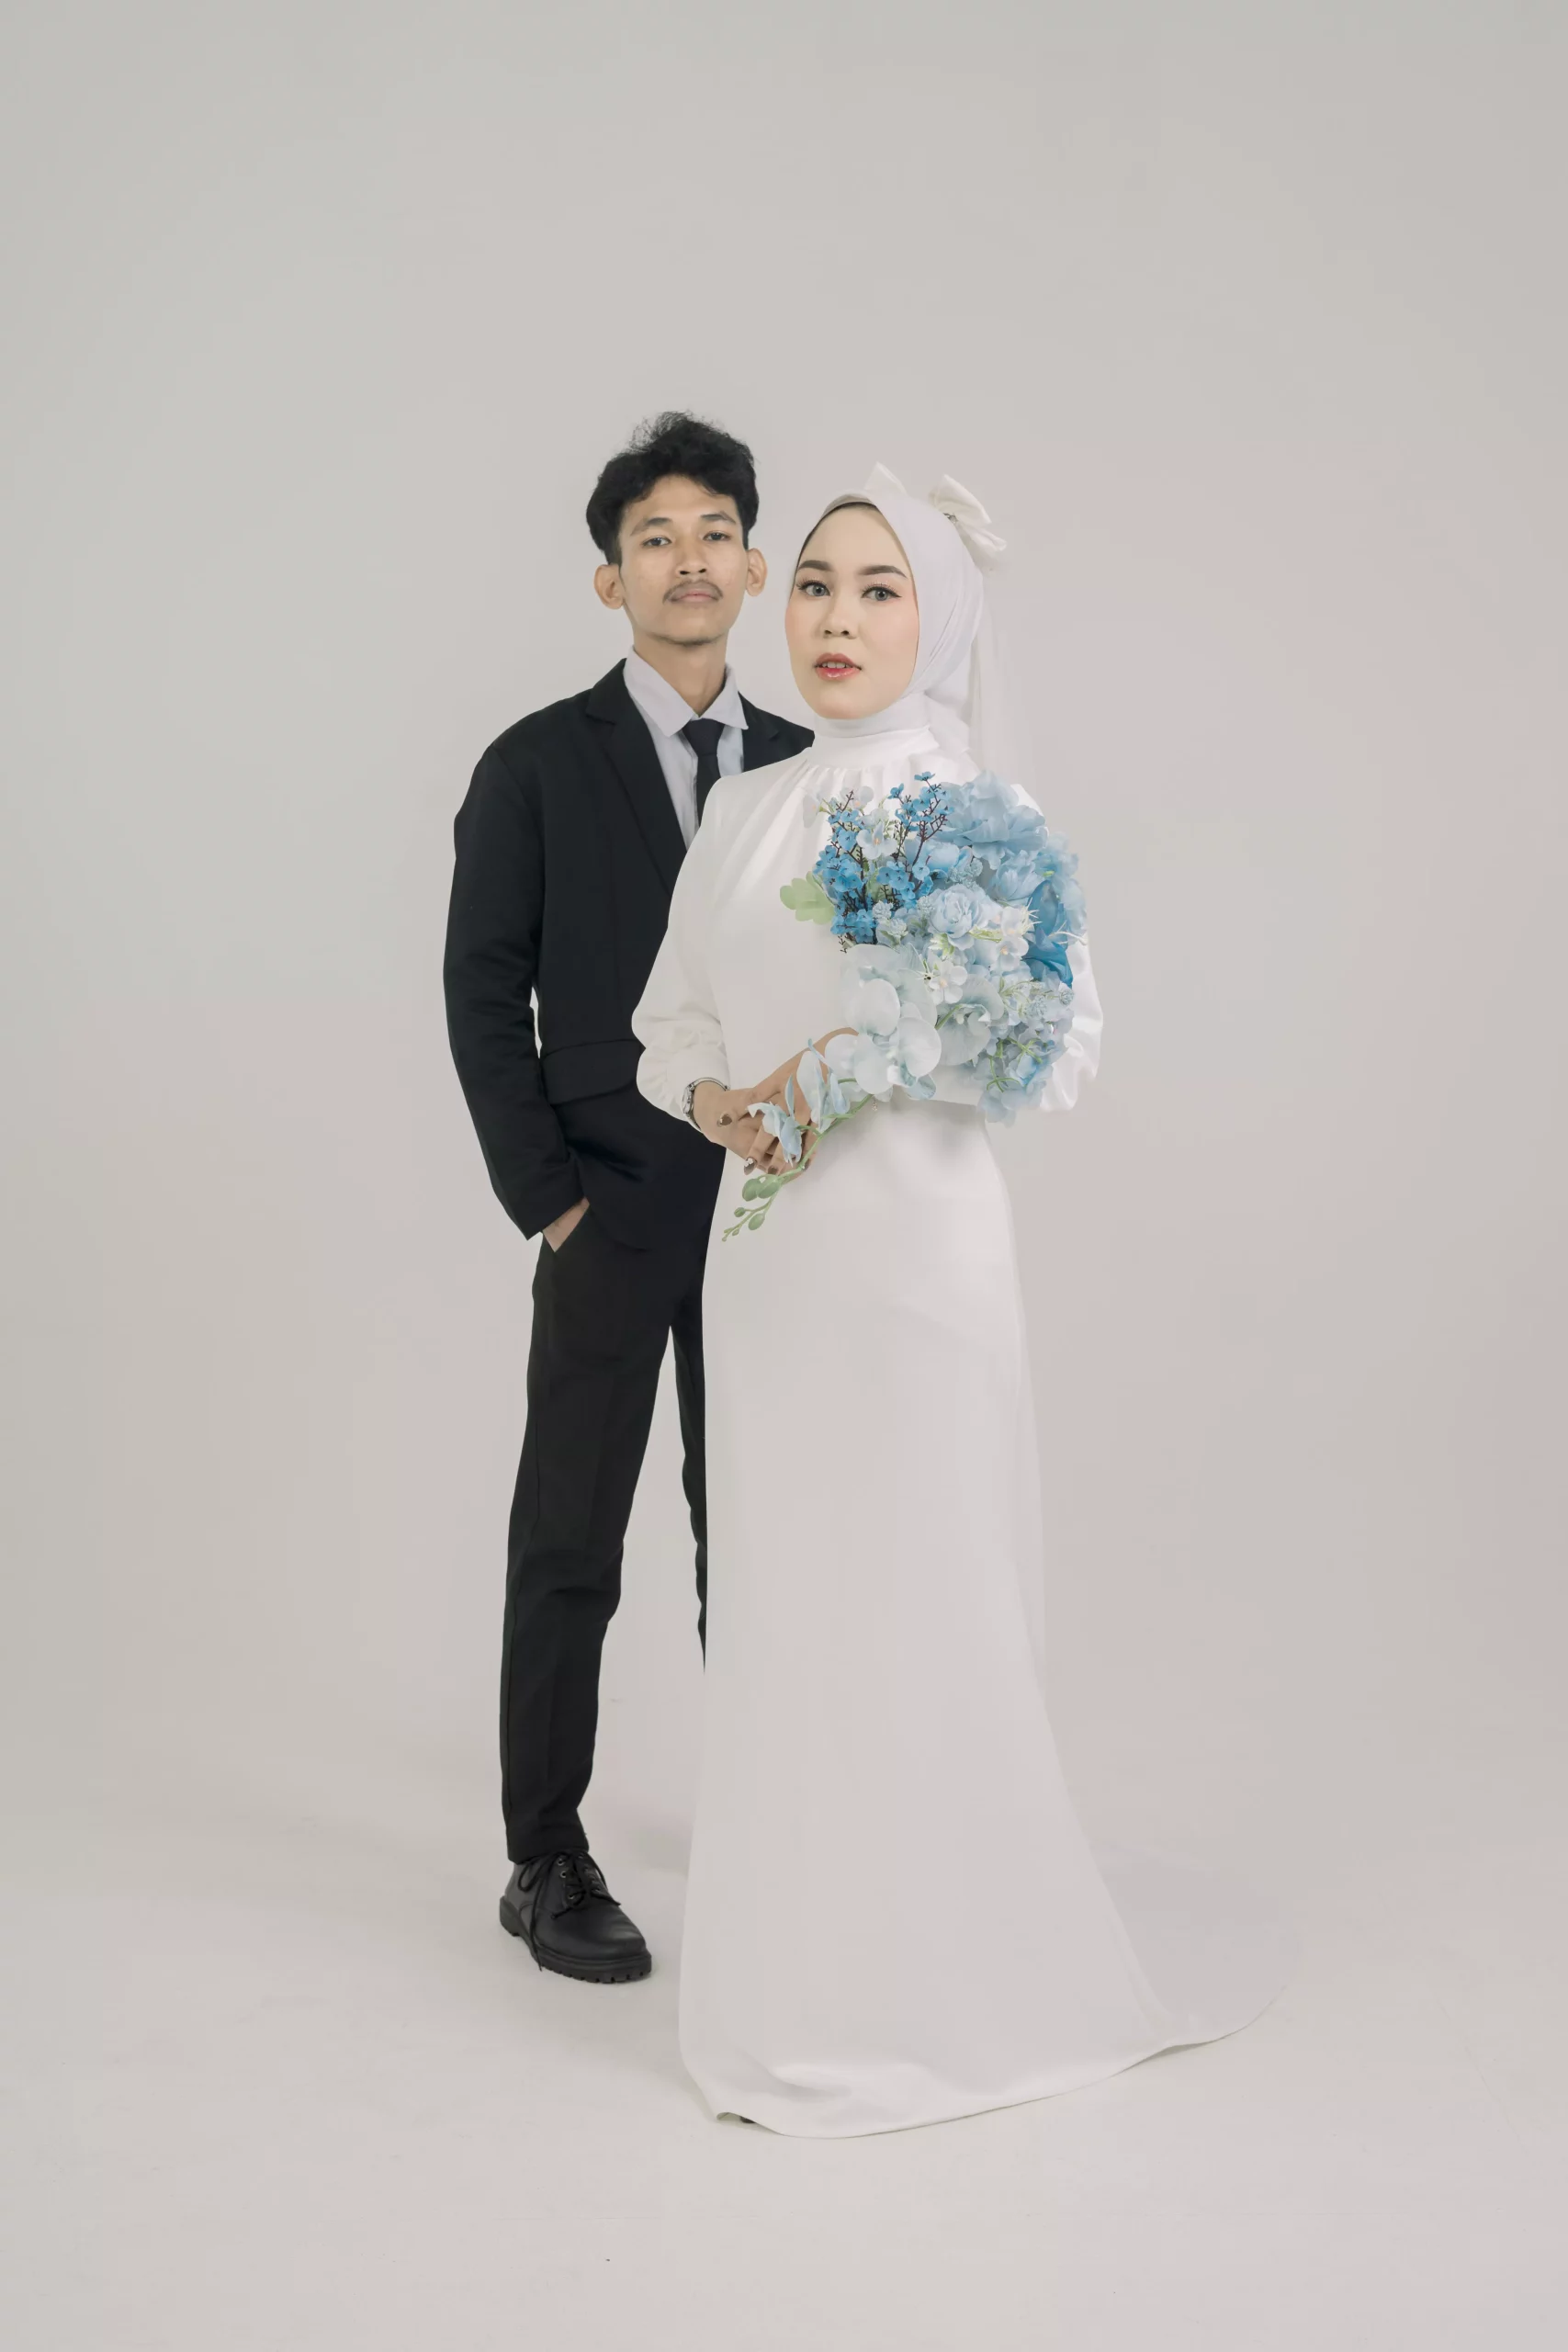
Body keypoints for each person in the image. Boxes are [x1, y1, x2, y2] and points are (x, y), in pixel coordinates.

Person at [631, 470, 1291, 2134]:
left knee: (920, 1584)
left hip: (913, 1263)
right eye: (817, 585)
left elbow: (1043, 1041)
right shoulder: (742, 811)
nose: (837, 620)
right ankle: (805, 1969)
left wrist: (845, 1068)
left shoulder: (967, 809)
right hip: (768, 1259)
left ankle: (947, 1975)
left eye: (881, 590)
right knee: (786, 1595)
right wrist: (719, 1100)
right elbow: (668, 1022)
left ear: (941, 622)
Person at [443, 413, 813, 1984]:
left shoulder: (805, 767)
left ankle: (779, 1824)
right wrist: (550, 1201)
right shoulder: (535, 763)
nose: (688, 559)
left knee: (768, 1532)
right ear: (612, 580)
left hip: (774, 1215)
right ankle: (544, 1855)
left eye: (714, 531)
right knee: (571, 1540)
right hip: (607, 1202)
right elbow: (483, 992)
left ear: (752, 564)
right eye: (655, 537)